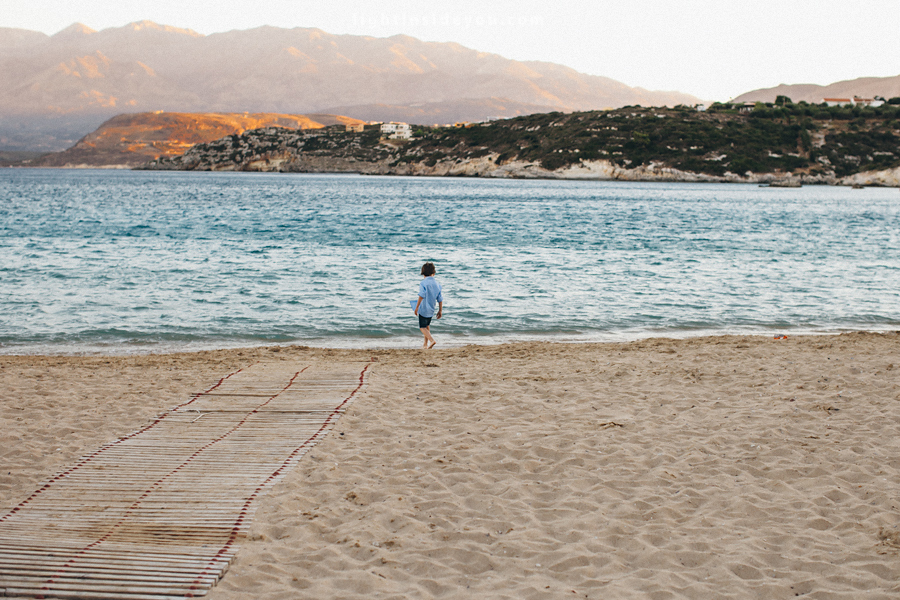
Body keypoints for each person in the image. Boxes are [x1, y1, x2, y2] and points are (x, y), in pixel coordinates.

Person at [414, 262, 443, 349]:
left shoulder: (423, 283)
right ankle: (425, 344)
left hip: (423, 309)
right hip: (431, 309)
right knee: (427, 326)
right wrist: (440, 310)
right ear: (433, 273)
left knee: (422, 327)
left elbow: (421, 295)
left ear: (423, 273)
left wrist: (416, 307)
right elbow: (440, 299)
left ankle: (432, 340)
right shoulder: (437, 284)